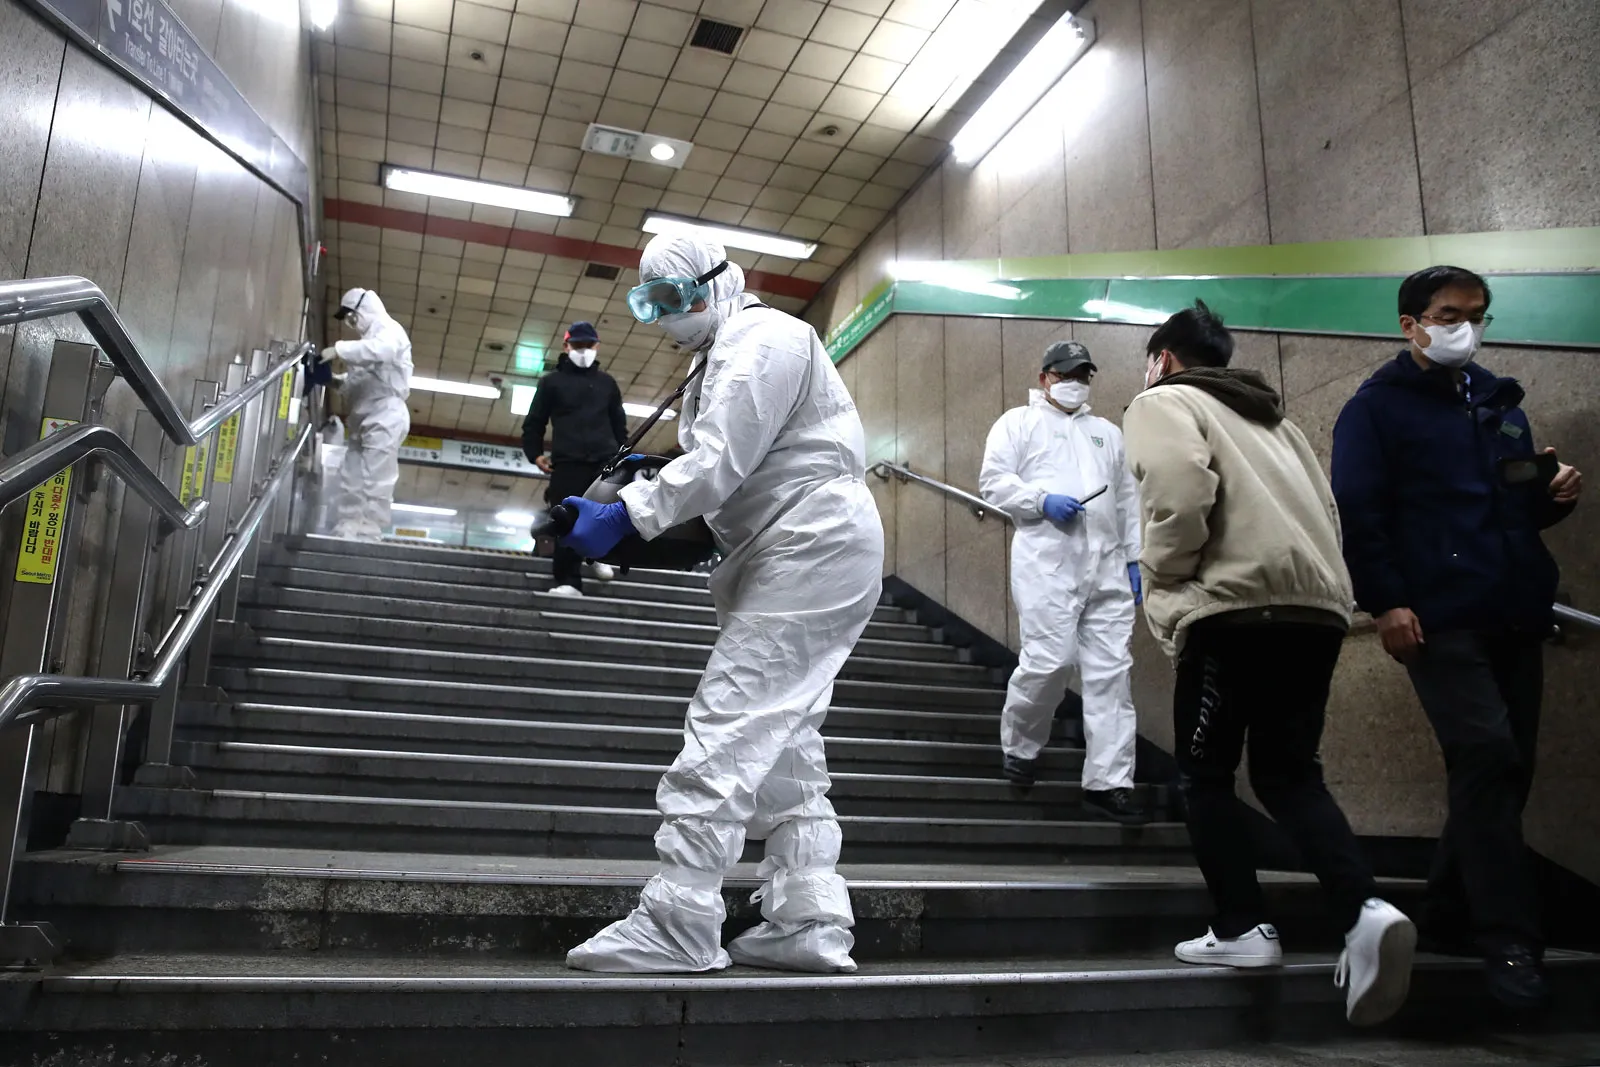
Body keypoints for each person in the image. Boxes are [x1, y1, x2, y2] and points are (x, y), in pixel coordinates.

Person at [557, 232, 884, 974]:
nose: (666, 317)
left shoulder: (764, 336)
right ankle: (808, 915)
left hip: (809, 540)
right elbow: (733, 459)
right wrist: (654, 476)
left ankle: (680, 917)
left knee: (729, 718)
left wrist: (629, 512)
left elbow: (718, 461)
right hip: (788, 544)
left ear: (720, 281)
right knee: (787, 741)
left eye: (675, 299)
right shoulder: (726, 352)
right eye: (654, 305)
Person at [1124, 300, 1415, 1027]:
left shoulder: (1165, 400)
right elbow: (1329, 508)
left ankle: (1241, 925)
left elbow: (1179, 485)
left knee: (1204, 772)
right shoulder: (1275, 420)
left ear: (1162, 357)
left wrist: (1162, 571)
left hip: (1232, 612)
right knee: (1288, 772)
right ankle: (1364, 907)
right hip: (1312, 613)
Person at [1331, 266, 1581, 1010]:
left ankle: (1443, 911)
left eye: (1477, 315)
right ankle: (1509, 940)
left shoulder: (1499, 403)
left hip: (1513, 606)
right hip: (1438, 616)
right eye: (1448, 315)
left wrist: (1550, 497)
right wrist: (1386, 602)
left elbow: (1512, 513)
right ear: (1410, 323)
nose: (1464, 328)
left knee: (1504, 771)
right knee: (1487, 755)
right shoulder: (1373, 411)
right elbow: (1363, 512)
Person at [978, 341, 1146, 823]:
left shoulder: (1107, 434)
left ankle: (1109, 781)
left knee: (1111, 674)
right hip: (1047, 562)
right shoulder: (1017, 423)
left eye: (1084, 375)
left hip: (1108, 564)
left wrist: (1135, 559)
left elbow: (1127, 500)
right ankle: (1021, 746)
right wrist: (1040, 499)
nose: (1076, 382)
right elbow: (993, 481)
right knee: (1051, 661)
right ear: (1045, 376)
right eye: (1067, 373)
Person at [521, 321, 628, 595]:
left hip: (605, 462)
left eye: (588, 346)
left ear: (597, 346)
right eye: (578, 346)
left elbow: (619, 423)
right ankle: (568, 581)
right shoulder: (551, 383)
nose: (583, 351)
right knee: (566, 519)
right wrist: (534, 454)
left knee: (606, 515)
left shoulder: (607, 384)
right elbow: (534, 422)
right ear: (566, 346)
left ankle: (597, 557)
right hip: (567, 461)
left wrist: (623, 454)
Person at [322, 288, 412, 541]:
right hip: (363, 417)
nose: (351, 322)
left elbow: (381, 351)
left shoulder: (389, 330)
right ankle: (348, 525)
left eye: (352, 316)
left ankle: (369, 530)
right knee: (351, 475)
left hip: (386, 414)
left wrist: (339, 350)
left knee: (377, 476)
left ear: (365, 308)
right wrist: (335, 381)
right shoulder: (368, 339)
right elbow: (361, 381)